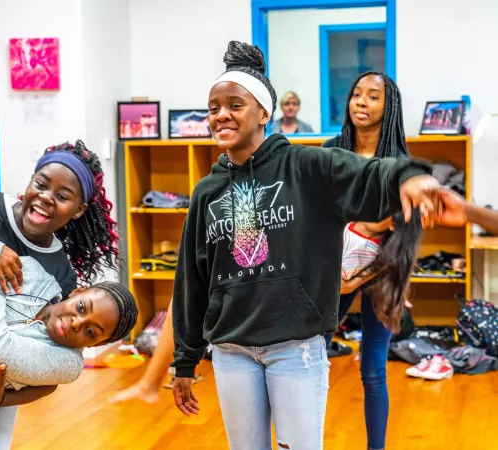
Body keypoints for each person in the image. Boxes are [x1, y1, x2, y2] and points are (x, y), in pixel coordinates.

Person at [168, 41, 441, 450]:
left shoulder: (309, 166)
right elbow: (191, 280)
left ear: (264, 113)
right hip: (230, 351)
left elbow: (375, 173)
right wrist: (185, 359)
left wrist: (410, 177)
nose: (221, 115)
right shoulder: (207, 192)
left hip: (296, 349)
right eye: (213, 108)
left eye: (234, 105)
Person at [0, 139, 119, 449]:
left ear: (78, 210)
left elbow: (55, 369)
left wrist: (5, 396)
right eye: (41, 184)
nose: (46, 198)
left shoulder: (61, 274)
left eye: (63, 197)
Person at [322, 71, 420, 450]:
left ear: (388, 106)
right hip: (336, 269)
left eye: (373, 96)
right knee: (308, 360)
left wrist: (364, 224)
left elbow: (404, 226)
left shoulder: (399, 162)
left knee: (373, 370)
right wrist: (369, 221)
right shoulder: (332, 151)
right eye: (356, 94)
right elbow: (320, 213)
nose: (361, 101)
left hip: (381, 269)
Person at [0, 256, 137, 392]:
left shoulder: (68, 364)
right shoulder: (32, 273)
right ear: (77, 292)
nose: (76, 323)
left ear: (96, 344)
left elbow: (1, 351)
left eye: (90, 331)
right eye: (81, 307)